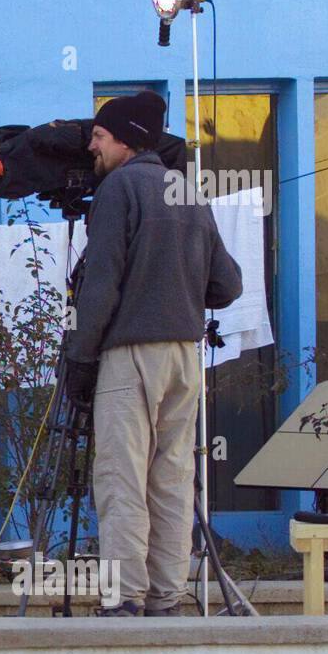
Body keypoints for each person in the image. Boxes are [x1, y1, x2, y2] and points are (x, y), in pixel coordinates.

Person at [64, 90, 243, 617]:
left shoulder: (119, 188)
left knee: (121, 479)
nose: (91, 147)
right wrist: (179, 286)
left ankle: (124, 600)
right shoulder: (185, 191)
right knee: (171, 480)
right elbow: (228, 285)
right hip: (185, 359)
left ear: (126, 139)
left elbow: (100, 288)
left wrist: (80, 358)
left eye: (98, 136)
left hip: (130, 355)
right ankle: (167, 596)